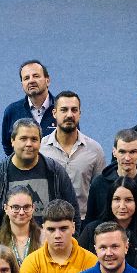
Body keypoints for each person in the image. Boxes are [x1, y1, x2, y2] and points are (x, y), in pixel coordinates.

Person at [0, 119, 78, 237]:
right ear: (12, 141)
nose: (29, 144)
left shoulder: (56, 172)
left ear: (40, 142)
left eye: (34, 139)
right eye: (23, 139)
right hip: (7, 247)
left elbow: (73, 213)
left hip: (48, 247)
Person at [86, 129, 137, 238]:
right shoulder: (99, 184)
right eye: (122, 152)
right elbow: (90, 224)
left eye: (132, 152)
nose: (127, 158)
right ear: (114, 152)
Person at [78, 179, 137, 273]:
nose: (122, 206)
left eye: (128, 200)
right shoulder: (91, 231)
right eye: (117, 199)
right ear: (110, 202)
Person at [40, 91, 104, 220]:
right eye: (64, 110)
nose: (69, 115)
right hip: (48, 223)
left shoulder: (95, 150)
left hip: (83, 222)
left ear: (80, 113)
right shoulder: (40, 149)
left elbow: (101, 192)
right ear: (54, 113)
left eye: (74, 110)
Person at [0, 60, 56, 155]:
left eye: (36, 76)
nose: (31, 81)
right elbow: (8, 146)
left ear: (47, 80)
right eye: (26, 78)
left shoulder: (63, 109)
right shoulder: (12, 111)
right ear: (22, 84)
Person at [0, 186, 42, 264]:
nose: (21, 212)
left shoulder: (45, 239)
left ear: (33, 208)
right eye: (16, 207)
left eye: (26, 207)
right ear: (6, 208)